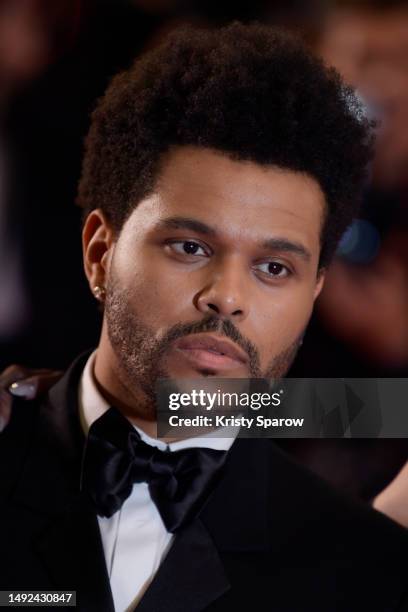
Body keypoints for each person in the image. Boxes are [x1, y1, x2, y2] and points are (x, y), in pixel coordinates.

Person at [1, 22, 408, 612]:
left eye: (274, 268)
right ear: (99, 252)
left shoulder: (359, 564)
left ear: (315, 291)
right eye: (189, 248)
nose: (227, 295)